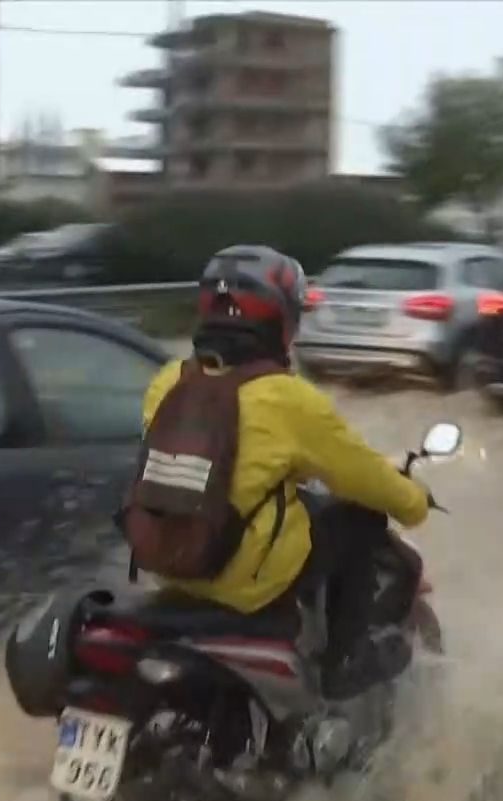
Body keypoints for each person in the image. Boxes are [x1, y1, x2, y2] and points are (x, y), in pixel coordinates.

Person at [129, 244, 429, 700]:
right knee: (360, 519)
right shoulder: (288, 399)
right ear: (281, 321)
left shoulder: (168, 381)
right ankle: (344, 661)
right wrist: (415, 502)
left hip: (168, 563)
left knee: (304, 511)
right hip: (246, 581)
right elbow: (362, 476)